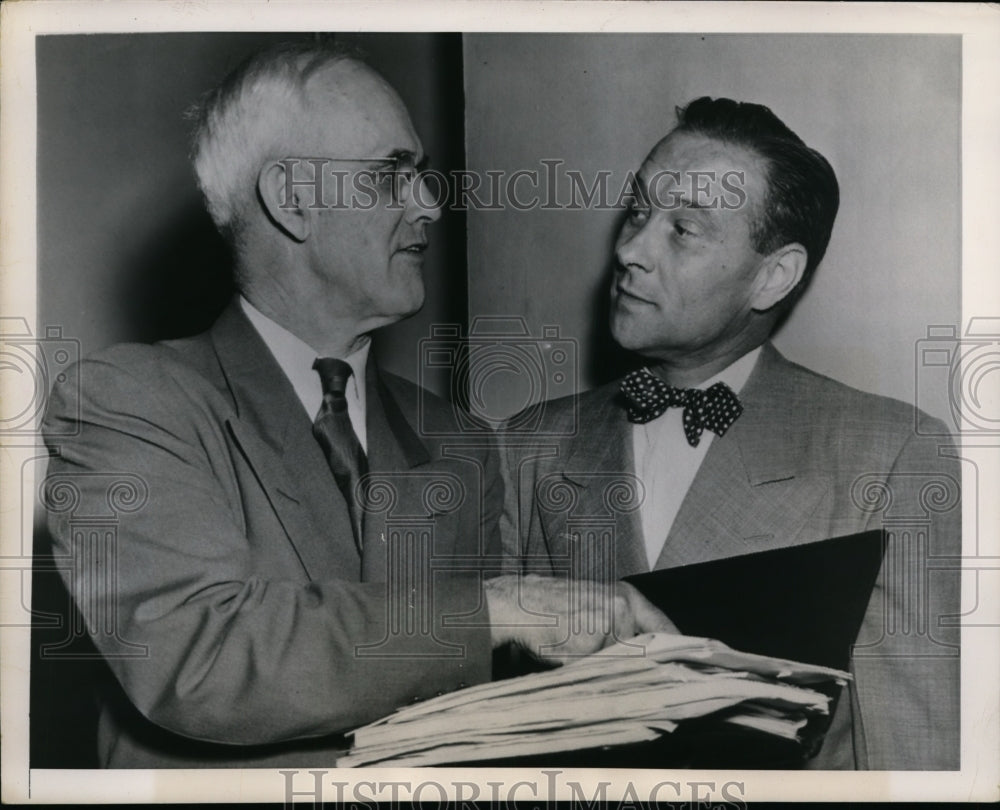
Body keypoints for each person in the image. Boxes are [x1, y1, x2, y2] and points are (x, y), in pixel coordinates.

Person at [40, 42, 672, 768]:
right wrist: (496, 608)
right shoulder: (128, 404)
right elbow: (199, 657)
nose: (429, 203)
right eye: (390, 174)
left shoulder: (459, 441)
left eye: (420, 174)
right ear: (292, 198)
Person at [501, 97, 960, 770]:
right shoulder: (528, 443)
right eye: (638, 212)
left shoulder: (889, 452)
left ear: (773, 277)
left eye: (683, 229)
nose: (629, 251)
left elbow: (913, 757)